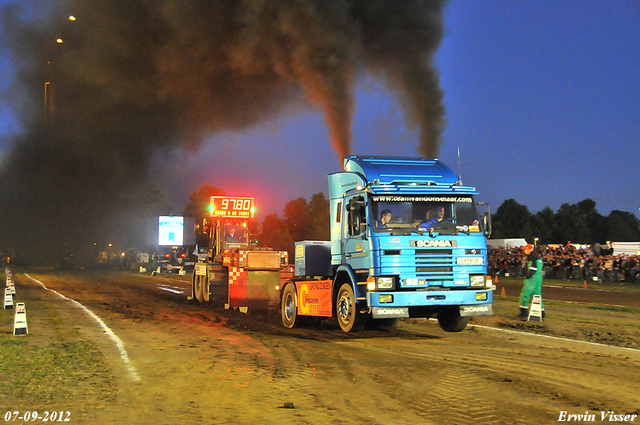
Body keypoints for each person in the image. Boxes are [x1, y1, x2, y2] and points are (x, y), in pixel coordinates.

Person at [518, 244, 544, 319]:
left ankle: (524, 312)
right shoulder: (537, 257)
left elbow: (533, 269)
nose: (525, 251)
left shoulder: (532, 257)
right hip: (538, 279)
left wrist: (527, 276)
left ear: (529, 250)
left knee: (525, 294)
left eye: (525, 249)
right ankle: (541, 313)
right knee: (537, 295)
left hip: (532, 279)